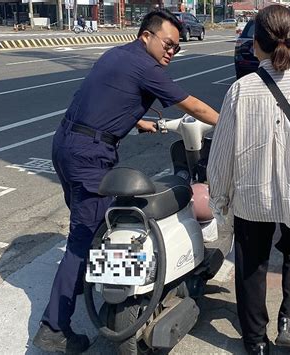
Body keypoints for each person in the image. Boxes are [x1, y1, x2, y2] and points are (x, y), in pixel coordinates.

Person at [33, 9, 218, 354]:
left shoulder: (118, 54)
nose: (171, 52)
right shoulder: (146, 67)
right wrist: (227, 125)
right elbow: (192, 105)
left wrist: (138, 122)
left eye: (177, 48)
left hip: (67, 144)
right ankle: (53, 327)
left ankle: (88, 282)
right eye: (167, 44)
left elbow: (105, 99)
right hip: (90, 155)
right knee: (85, 238)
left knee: (91, 229)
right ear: (146, 36)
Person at [207, 5, 290, 355]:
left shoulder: (240, 91)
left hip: (253, 197)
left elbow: (220, 157)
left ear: (255, 44)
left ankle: (255, 342)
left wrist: (219, 201)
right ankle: (289, 326)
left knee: (252, 261)